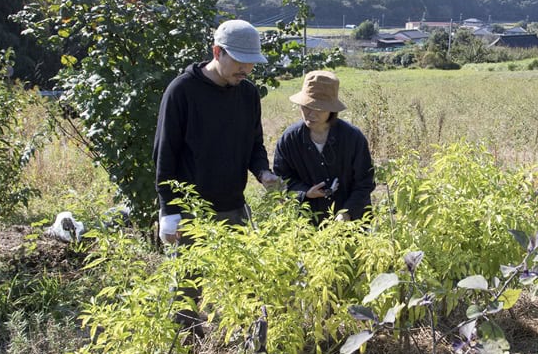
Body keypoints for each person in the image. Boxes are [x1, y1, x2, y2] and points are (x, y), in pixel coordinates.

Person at [153, 19, 279, 334]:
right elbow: (164, 152)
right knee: (187, 288)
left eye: (251, 63)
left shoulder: (248, 94)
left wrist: (262, 172)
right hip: (191, 212)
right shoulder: (182, 91)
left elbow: (254, 144)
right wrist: (168, 210)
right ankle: (185, 351)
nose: (246, 69)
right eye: (239, 61)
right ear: (217, 52)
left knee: (242, 281)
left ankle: (237, 344)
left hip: (234, 205)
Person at [273, 70, 374, 223]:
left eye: (318, 108)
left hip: (352, 224)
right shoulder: (290, 139)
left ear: (331, 110)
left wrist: (347, 212)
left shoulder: (352, 138)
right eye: (306, 106)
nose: (311, 113)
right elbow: (282, 179)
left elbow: (365, 182)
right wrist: (305, 192)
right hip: (308, 222)